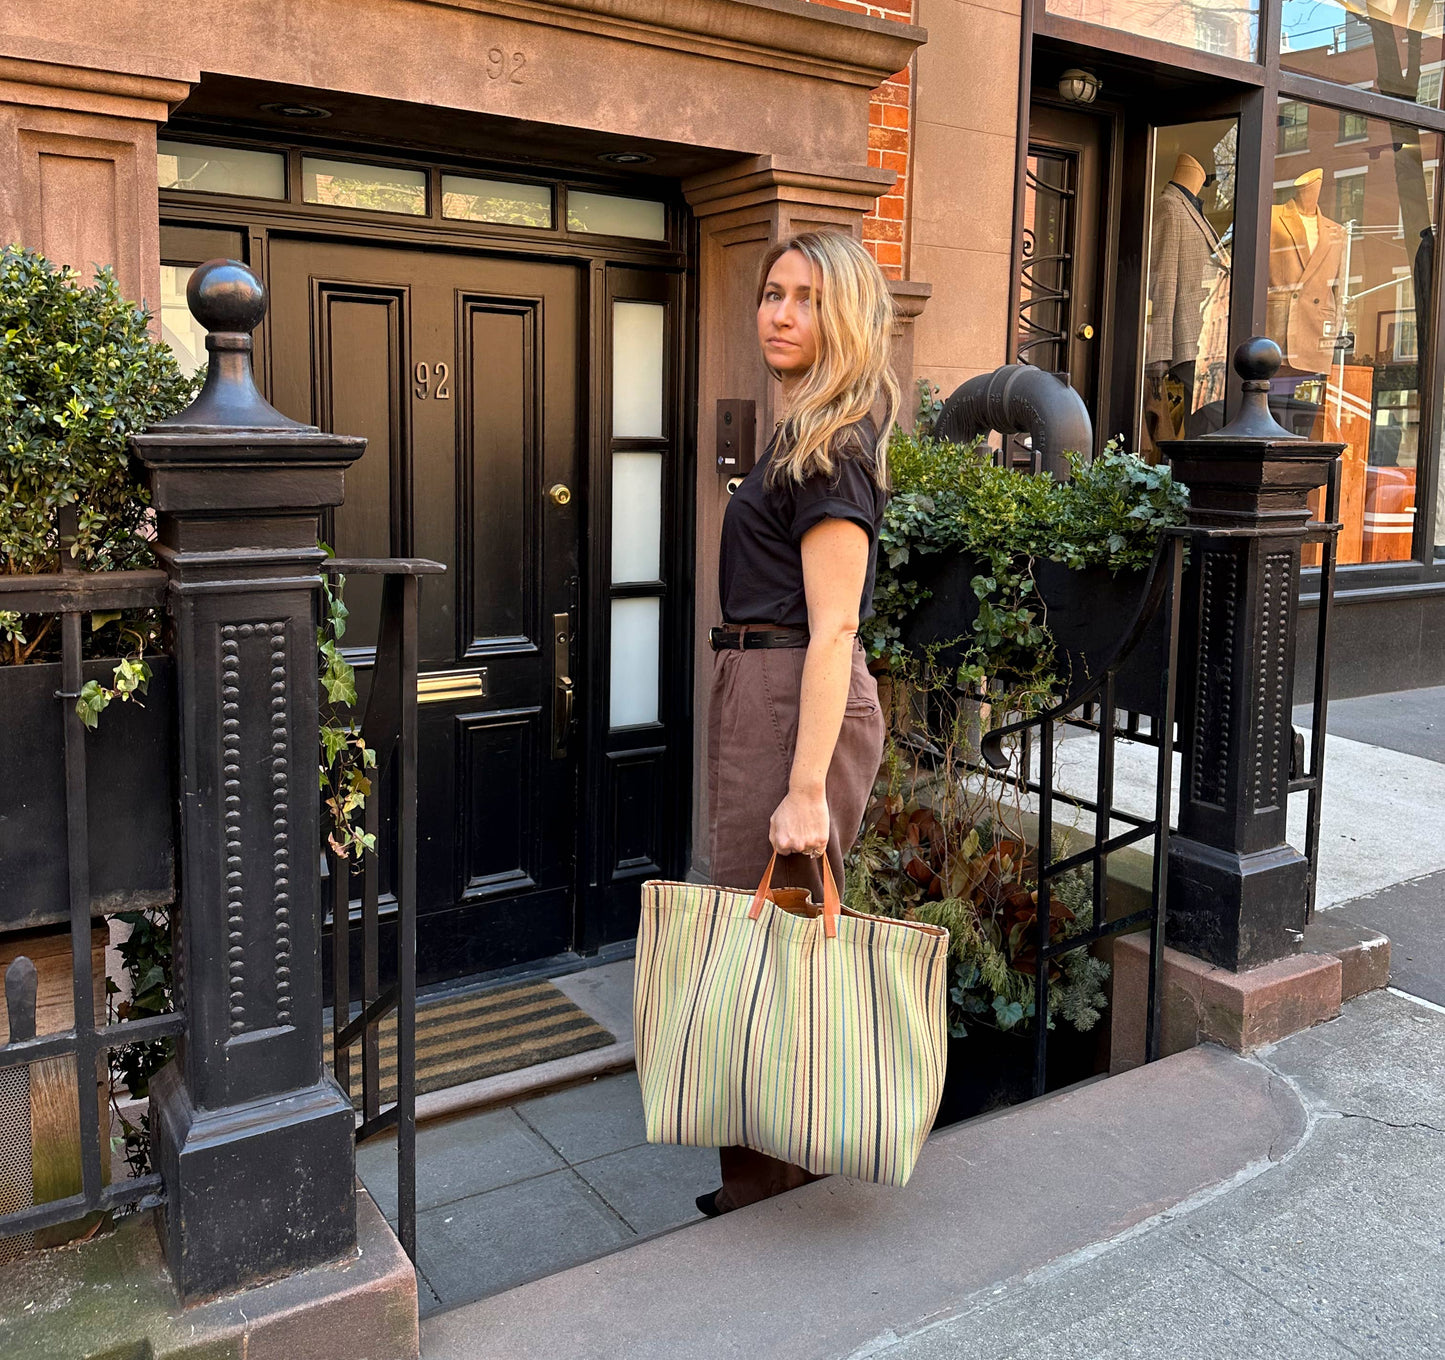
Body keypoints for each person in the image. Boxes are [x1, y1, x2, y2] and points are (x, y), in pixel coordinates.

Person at [696, 230, 896, 1216]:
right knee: (767, 943)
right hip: (761, 687)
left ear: (844, 316)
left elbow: (835, 629)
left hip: (790, 696)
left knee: (760, 946)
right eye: (771, 293)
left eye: (804, 298)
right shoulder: (800, 433)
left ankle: (768, 1189)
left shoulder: (831, 449)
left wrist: (806, 789)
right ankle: (773, 1178)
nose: (777, 312)